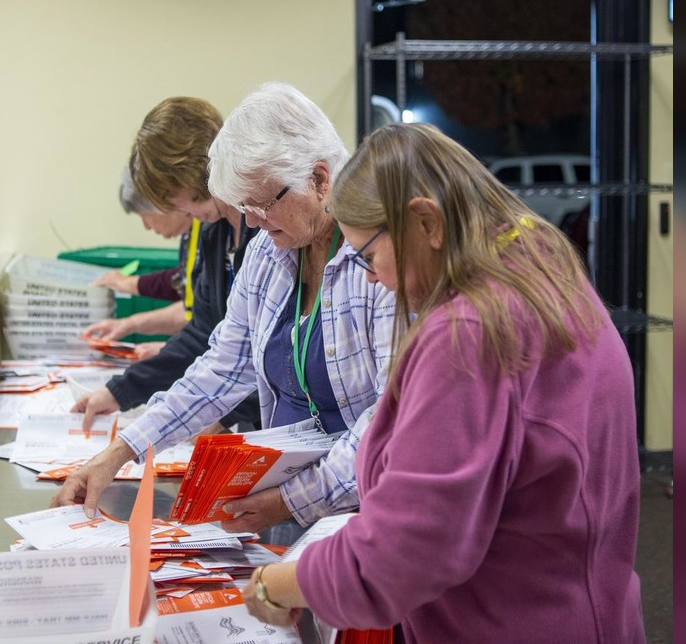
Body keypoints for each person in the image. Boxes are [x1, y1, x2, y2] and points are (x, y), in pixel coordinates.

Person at [241, 123, 645, 644]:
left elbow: (405, 549)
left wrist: (280, 585)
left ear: (426, 221)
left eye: (367, 257)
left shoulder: (469, 333)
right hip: (578, 605)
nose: (370, 278)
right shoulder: (536, 268)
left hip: (512, 620)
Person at [53, 84, 395, 534]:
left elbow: (387, 420)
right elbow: (222, 368)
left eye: (261, 204)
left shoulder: (380, 265)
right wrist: (122, 450)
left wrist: (291, 500)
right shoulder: (269, 253)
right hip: (283, 500)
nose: (251, 222)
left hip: (356, 513)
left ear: (319, 179)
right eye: (243, 207)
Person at [73, 96, 261, 433]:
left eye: (181, 200)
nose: (182, 213)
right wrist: (121, 391)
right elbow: (202, 333)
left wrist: (224, 413)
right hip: (246, 421)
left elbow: (272, 354)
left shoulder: (265, 229)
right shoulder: (213, 231)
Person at [84, 168, 198, 359]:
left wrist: (168, 349)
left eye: (144, 215)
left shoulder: (209, 225)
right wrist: (129, 324)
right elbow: (192, 301)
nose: (146, 226)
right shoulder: (194, 231)